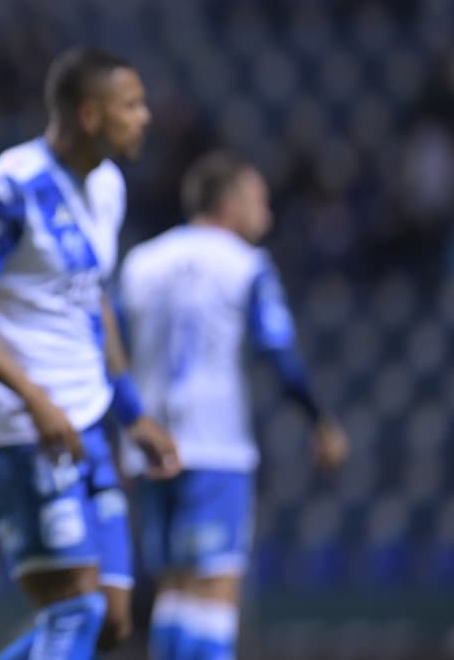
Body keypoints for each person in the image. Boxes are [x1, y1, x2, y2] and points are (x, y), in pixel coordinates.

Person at [0, 47, 180, 660]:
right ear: (90, 115)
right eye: (131, 105)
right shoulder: (10, 188)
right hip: (22, 428)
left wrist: (131, 412)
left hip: (85, 420)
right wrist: (34, 398)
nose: (145, 117)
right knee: (75, 613)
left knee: (112, 621)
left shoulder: (107, 186)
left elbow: (93, 301)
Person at [117, 150, 349, 660]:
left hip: (149, 444)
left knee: (175, 588)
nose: (267, 213)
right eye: (259, 200)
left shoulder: (141, 262)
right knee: (215, 588)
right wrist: (319, 420)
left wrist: (122, 429)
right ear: (229, 203)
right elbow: (280, 354)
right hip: (214, 445)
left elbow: (112, 352)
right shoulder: (246, 265)